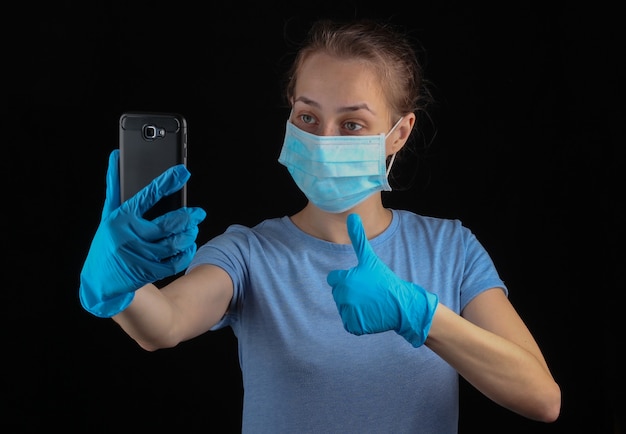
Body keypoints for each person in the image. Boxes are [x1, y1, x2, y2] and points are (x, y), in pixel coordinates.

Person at [78, 18, 561, 433]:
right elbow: (163, 324)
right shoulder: (249, 254)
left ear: (400, 133)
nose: (323, 139)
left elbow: (542, 399)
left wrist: (422, 315)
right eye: (308, 116)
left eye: (351, 124)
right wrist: (119, 286)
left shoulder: (449, 249)